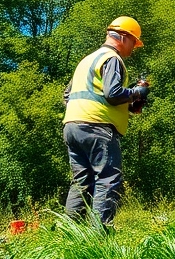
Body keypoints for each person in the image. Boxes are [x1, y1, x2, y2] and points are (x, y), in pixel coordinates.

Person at [62, 16, 150, 225]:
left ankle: (69, 233)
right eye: (134, 42)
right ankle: (99, 234)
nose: (133, 48)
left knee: (81, 182)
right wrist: (137, 93)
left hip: (73, 126)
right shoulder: (112, 59)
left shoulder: (87, 60)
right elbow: (113, 93)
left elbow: (68, 95)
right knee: (108, 179)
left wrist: (128, 106)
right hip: (97, 128)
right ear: (123, 37)